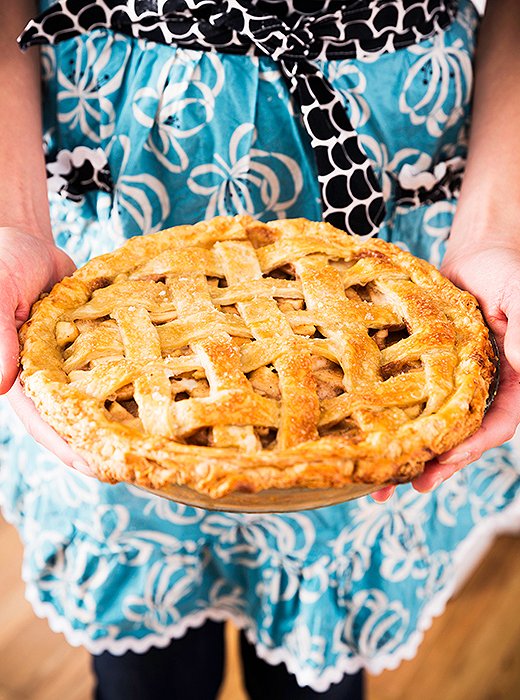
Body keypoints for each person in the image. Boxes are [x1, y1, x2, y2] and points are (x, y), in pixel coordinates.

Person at [1, 1, 520, 698]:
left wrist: (496, 233)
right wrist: (11, 220)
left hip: (391, 204)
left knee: (319, 666)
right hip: (124, 179)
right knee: (145, 674)